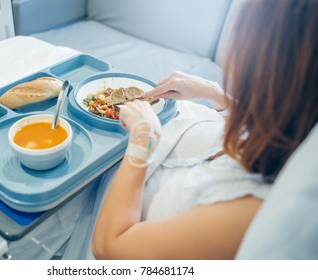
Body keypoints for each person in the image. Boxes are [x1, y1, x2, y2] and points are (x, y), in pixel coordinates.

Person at [92, 0, 318, 259]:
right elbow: (283, 126)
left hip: (117, 183)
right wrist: (215, 93)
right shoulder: (298, 133)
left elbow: (108, 247)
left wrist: (144, 140)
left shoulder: (249, 214)